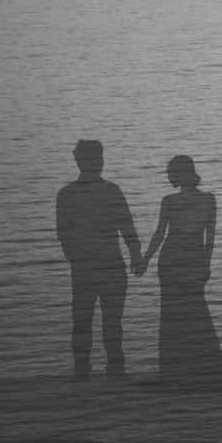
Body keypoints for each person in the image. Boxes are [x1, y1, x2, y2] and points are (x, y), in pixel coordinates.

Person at [56, 139, 142, 379]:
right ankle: (113, 370)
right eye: (98, 158)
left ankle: (84, 372)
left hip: (89, 267)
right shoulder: (109, 190)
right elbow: (127, 227)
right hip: (108, 266)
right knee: (110, 323)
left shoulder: (67, 194)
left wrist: (76, 260)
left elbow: (63, 235)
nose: (100, 163)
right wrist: (135, 253)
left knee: (84, 322)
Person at [141, 155, 222, 377]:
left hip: (173, 260)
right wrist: (206, 264)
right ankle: (202, 367)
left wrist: (146, 258)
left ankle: (176, 369)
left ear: (179, 174)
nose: (169, 177)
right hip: (189, 258)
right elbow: (210, 237)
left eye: (171, 173)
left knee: (176, 314)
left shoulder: (171, 201)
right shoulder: (207, 200)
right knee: (193, 311)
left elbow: (160, 234)